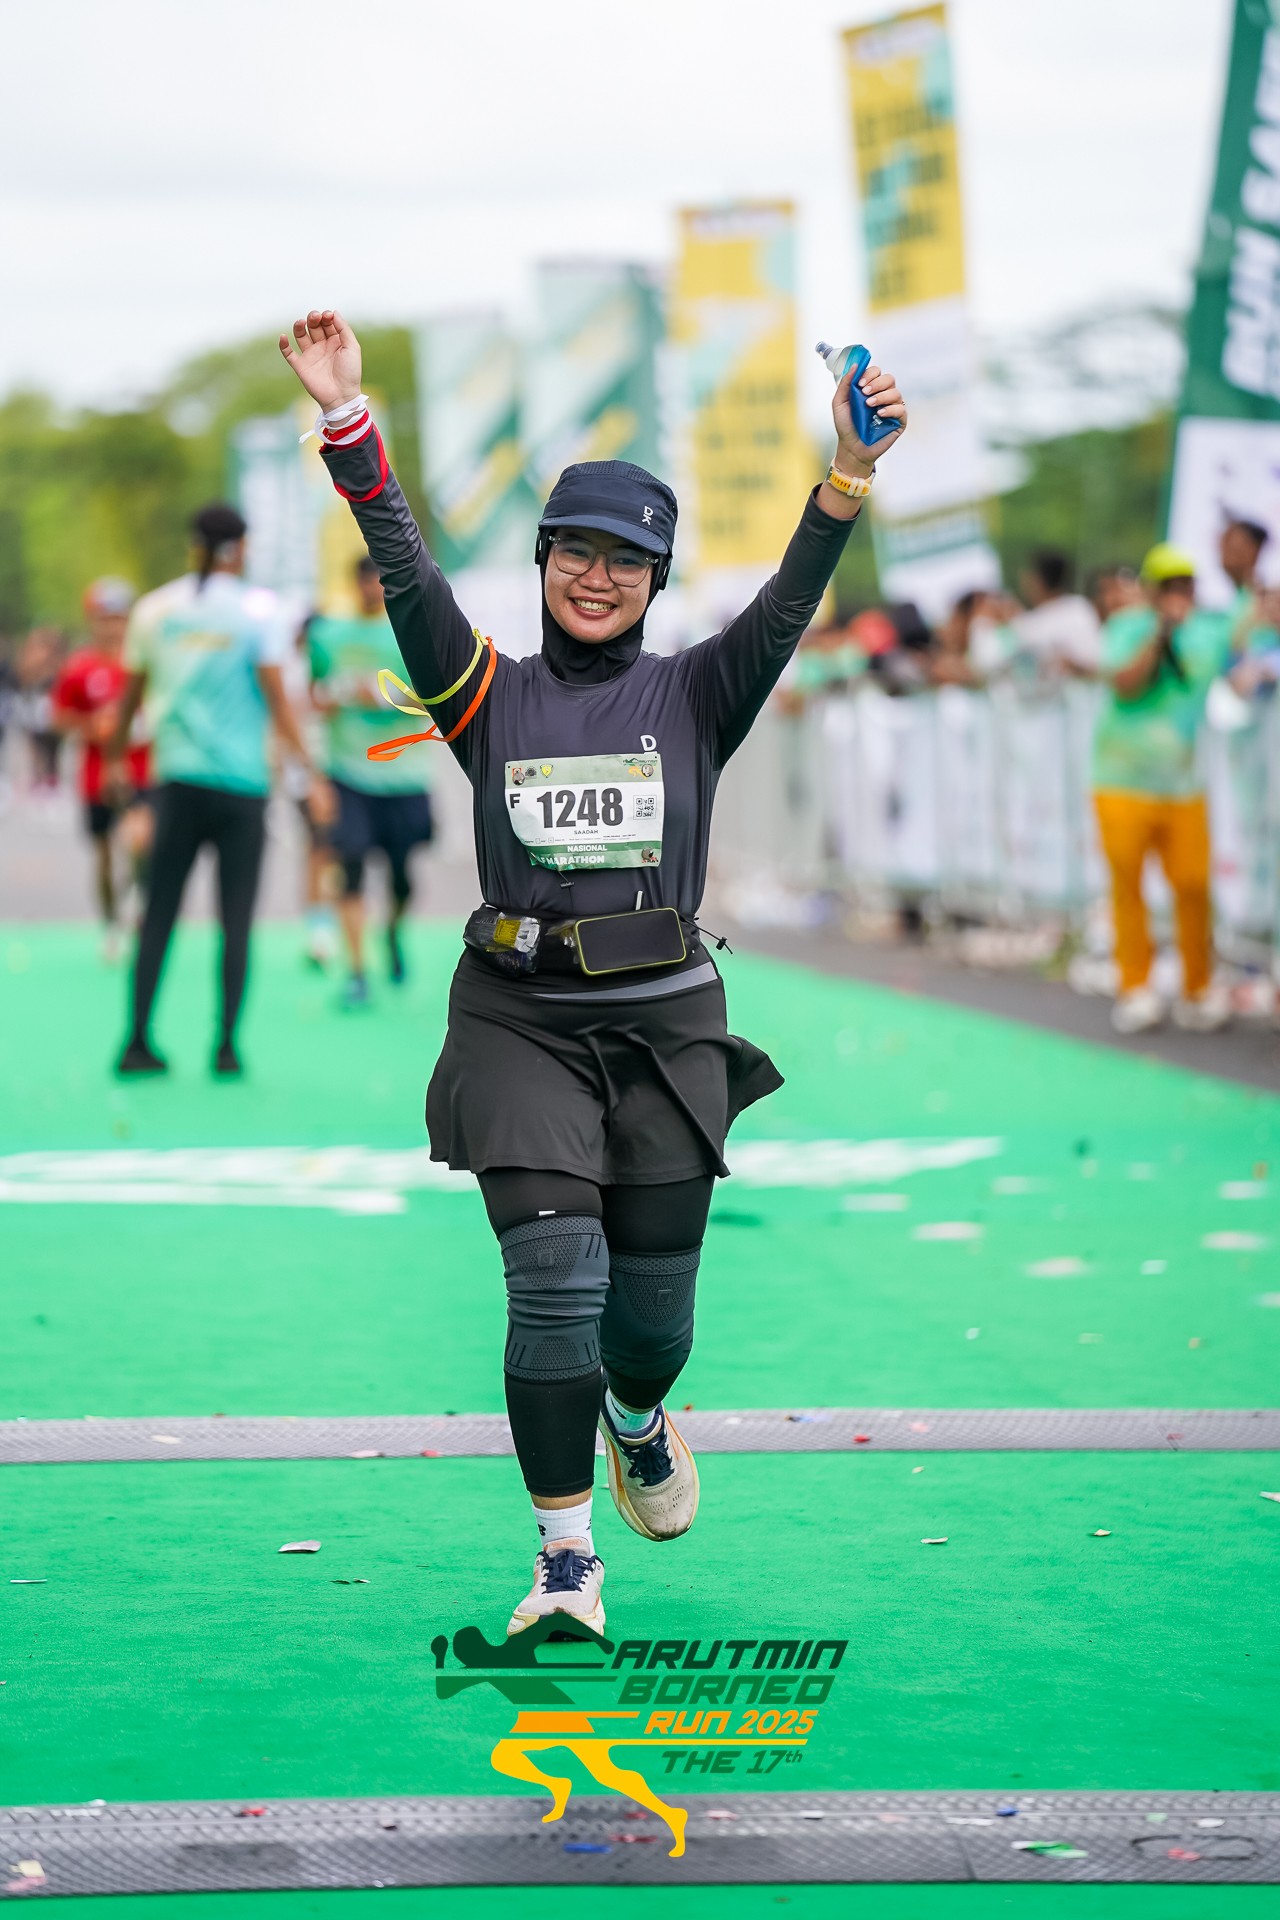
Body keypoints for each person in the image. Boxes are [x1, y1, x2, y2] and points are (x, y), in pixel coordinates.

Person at [280, 306, 906, 1635]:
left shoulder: (698, 693)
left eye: (628, 559)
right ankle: (565, 1561)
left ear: (657, 579)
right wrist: (346, 419)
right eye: (577, 550)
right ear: (544, 558)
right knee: (555, 1285)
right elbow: (402, 566)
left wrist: (846, 478)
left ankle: (638, 1414)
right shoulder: (482, 689)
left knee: (650, 1327)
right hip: (518, 1021)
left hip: (666, 1024)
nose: (598, 576)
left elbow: (792, 598)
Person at [107, 504, 333, 1077]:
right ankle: (226, 1047)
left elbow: (131, 697)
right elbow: (278, 700)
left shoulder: (155, 609)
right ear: (241, 548)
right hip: (241, 788)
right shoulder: (258, 612)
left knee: (158, 914)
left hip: (177, 783)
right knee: (235, 919)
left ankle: (137, 1041)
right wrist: (311, 775)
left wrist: (114, 759)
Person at [1092, 543, 1240, 1035]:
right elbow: (1125, 682)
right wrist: (1160, 633)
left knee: (1194, 887)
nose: (1179, 594)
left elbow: (1245, 643)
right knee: (1128, 888)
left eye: (1185, 585)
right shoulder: (1126, 627)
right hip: (1121, 781)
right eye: (1169, 586)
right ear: (1153, 590)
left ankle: (1198, 989)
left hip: (1183, 786)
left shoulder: (1210, 630)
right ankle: (1136, 986)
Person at [308, 555, 435, 1006]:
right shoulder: (328, 635)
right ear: (354, 584)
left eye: (378, 583)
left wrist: (382, 697)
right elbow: (312, 693)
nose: (370, 590)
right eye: (364, 582)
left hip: (404, 776)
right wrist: (332, 696)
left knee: (402, 879)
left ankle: (393, 930)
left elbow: (435, 701)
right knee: (351, 866)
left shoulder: (413, 634)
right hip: (348, 773)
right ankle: (357, 971)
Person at [52, 577, 153, 961]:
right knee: (105, 854)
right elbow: (60, 717)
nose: (114, 627)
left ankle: (139, 897)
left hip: (140, 769)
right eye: (106, 619)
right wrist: (91, 726)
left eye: (120, 618)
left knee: (142, 839)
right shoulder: (79, 668)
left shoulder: (144, 663)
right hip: (97, 774)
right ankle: (111, 923)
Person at [1013, 550, 1101, 676]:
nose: (1025, 582)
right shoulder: (1027, 620)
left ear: (1039, 580)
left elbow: (1094, 664)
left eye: (1030, 576)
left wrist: (1068, 664)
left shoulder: (1077, 610)